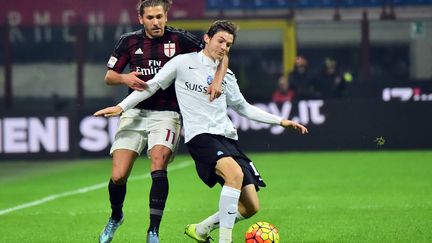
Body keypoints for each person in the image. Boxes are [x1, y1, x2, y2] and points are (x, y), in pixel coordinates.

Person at [94, 20, 308, 243]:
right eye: (220, 40)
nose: (224, 47)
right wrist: (121, 107)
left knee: (251, 206)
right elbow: (153, 85)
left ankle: (202, 229)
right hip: (201, 137)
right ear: (207, 38)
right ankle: (226, 240)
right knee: (233, 175)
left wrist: (281, 121)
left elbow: (243, 107)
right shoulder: (182, 63)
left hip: (227, 138)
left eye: (228, 44)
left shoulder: (227, 75)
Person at [98, 1, 227, 243]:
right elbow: (109, 76)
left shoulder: (181, 40)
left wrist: (217, 80)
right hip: (134, 112)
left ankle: (153, 231)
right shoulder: (128, 41)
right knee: (118, 176)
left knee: (158, 162)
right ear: (141, 19)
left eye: (159, 16)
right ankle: (116, 216)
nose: (156, 22)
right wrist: (125, 78)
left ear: (166, 16)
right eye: (150, 17)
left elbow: (219, 54)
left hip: (167, 114)